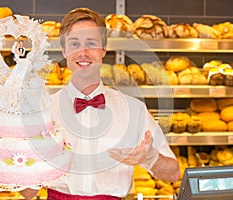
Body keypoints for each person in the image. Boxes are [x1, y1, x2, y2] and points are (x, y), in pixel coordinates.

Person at [21, 8, 180, 200]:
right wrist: (41, 163)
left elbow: (173, 174)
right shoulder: (43, 111)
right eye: (74, 44)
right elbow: (27, 193)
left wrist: (150, 157)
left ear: (103, 49)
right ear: (64, 51)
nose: (83, 52)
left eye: (91, 43)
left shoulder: (133, 110)